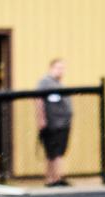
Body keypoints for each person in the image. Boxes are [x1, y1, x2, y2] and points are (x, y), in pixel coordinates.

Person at [35, 58, 73, 187]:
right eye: (58, 67)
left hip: (63, 123)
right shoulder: (45, 82)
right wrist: (41, 119)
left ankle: (54, 178)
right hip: (53, 124)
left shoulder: (59, 84)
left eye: (62, 68)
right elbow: (38, 100)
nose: (61, 71)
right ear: (51, 68)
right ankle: (54, 178)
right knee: (53, 151)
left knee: (58, 152)